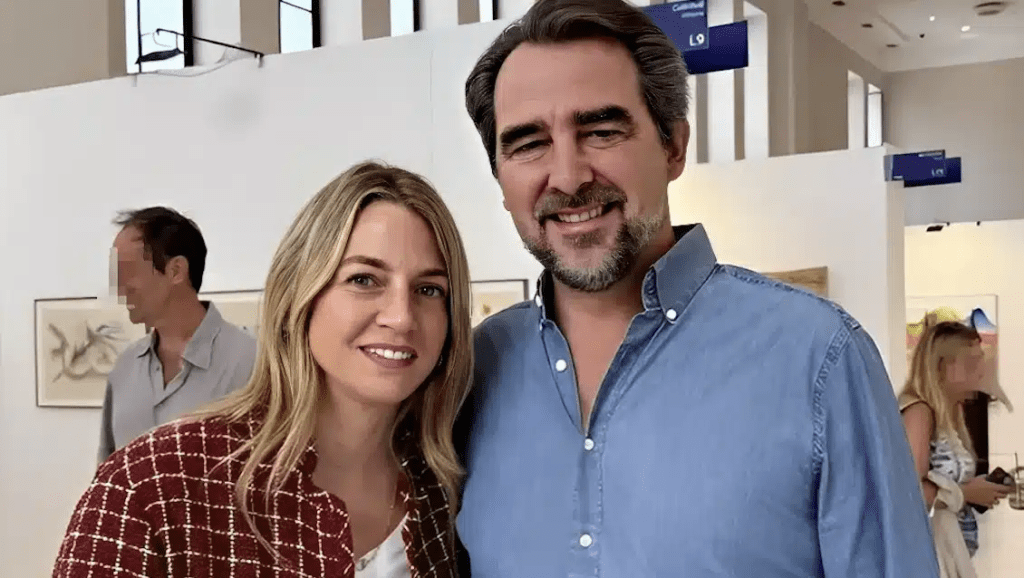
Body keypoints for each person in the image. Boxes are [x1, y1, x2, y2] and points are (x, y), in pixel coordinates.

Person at [454, 1, 941, 576]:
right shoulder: (469, 374)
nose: (567, 176)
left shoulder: (818, 359)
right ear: (500, 178)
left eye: (601, 131)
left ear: (674, 147)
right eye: (528, 143)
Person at [54, 162, 473, 577]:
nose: (401, 317)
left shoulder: (444, 493)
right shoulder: (148, 486)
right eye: (363, 280)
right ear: (298, 296)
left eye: (429, 289)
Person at [99, 207, 257, 462]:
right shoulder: (124, 368)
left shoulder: (253, 364)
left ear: (176, 271)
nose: (119, 289)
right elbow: (105, 474)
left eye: (128, 272)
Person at [899, 319, 1013, 569]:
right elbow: (908, 491)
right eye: (971, 363)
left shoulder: (951, 414)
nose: (980, 371)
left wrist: (978, 489)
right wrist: (965, 493)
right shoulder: (919, 413)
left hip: (950, 553)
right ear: (941, 366)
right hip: (929, 558)